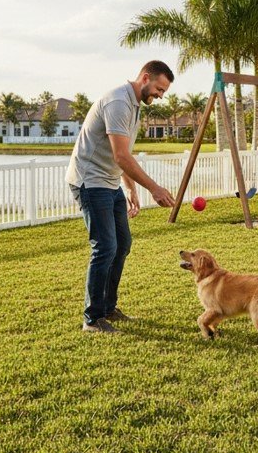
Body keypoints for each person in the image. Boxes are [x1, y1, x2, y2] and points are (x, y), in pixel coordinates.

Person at [66, 60, 176, 333]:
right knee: (105, 247)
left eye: (164, 92)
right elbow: (121, 155)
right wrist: (154, 187)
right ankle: (92, 319)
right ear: (145, 77)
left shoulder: (134, 104)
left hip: (109, 181)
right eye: (159, 89)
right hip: (90, 181)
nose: (160, 96)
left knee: (122, 243)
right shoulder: (118, 102)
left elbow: (121, 155)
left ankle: (108, 308)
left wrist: (129, 188)